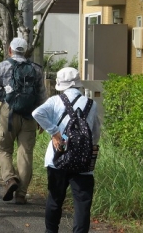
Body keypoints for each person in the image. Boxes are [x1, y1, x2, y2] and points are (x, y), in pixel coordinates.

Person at [32, 67, 101, 233]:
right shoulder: (91, 104)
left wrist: (55, 132)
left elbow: (36, 113)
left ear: (60, 84)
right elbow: (96, 133)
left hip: (58, 158)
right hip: (83, 162)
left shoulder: (56, 100)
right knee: (82, 204)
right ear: (77, 84)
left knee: (55, 200)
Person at [0, 37, 46, 205]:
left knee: (4, 149)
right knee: (25, 153)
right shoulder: (36, 69)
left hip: (8, 112)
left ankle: (10, 178)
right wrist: (43, 118)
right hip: (30, 113)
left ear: (10, 50)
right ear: (25, 51)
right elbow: (42, 95)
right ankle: (21, 194)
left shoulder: (2, 66)